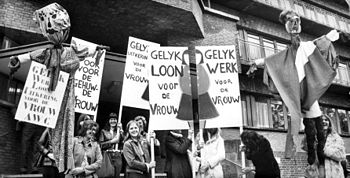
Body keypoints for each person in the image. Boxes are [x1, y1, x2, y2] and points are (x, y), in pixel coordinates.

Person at [7, 3, 98, 174]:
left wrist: (96, 50)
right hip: (49, 97)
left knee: (65, 129)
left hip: (66, 96)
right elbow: (29, 55)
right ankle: (45, 161)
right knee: (45, 134)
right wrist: (16, 59)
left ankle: (63, 161)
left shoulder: (72, 51)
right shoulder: (48, 53)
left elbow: (88, 51)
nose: (59, 34)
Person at [247, 10, 340, 169]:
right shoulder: (288, 54)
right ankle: (313, 157)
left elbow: (320, 43)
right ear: (287, 26)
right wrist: (256, 62)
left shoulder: (307, 47)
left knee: (317, 127)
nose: (295, 24)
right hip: (299, 95)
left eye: (297, 21)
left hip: (309, 92)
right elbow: (272, 61)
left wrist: (332, 35)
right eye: (291, 22)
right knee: (310, 129)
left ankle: (319, 154)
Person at [99, 112, 124, 178]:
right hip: (107, 155)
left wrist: (121, 131)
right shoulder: (103, 131)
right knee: (107, 174)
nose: (113, 121)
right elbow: (100, 145)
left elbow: (123, 143)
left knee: (116, 175)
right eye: (111, 119)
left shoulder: (119, 131)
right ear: (108, 121)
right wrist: (112, 141)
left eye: (115, 119)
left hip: (117, 155)